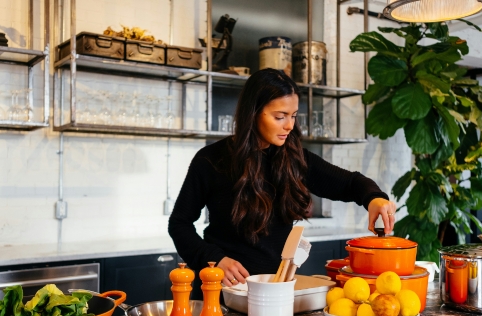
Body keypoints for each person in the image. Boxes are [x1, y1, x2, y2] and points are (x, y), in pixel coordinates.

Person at [168, 68, 396, 287]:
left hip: (275, 290)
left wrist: (374, 198)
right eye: (280, 116)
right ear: (253, 112)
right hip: (222, 291)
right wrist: (215, 260)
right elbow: (179, 224)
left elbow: (350, 183)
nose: (289, 125)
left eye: (293, 116)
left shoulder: (294, 159)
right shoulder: (211, 160)